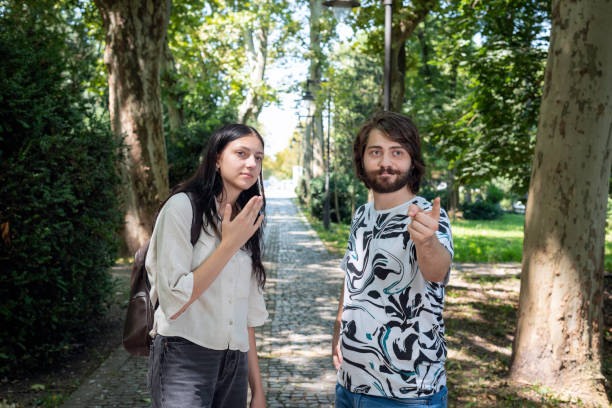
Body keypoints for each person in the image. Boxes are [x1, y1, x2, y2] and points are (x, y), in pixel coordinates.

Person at [332, 111, 453, 408]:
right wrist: (338, 329)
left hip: (407, 393)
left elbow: (437, 271)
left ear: (412, 160)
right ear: (362, 159)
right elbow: (353, 277)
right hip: (349, 384)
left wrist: (426, 242)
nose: (386, 162)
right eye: (376, 152)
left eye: (397, 152)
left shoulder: (426, 216)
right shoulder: (361, 214)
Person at [146, 123, 268, 408]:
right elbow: (175, 299)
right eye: (241, 153)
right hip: (184, 355)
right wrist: (228, 246)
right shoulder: (182, 208)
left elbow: (245, 316)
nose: (252, 163)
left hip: (234, 362)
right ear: (216, 159)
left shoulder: (247, 219)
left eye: (258, 157)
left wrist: (257, 390)